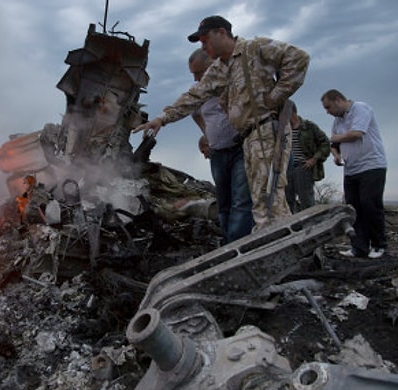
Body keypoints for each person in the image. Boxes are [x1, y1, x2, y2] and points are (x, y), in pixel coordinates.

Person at [132, 15, 310, 231]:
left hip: (266, 130)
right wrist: (162, 118)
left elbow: (299, 58)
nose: (203, 46)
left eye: (205, 40)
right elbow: (194, 96)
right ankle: (275, 243)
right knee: (262, 200)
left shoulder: (255, 48)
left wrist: (274, 97)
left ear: (222, 33)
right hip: (248, 138)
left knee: (268, 198)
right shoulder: (219, 69)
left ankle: (279, 247)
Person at [190, 49, 253, 244]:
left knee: (241, 200)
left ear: (212, 65)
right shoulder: (199, 91)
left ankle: (238, 246)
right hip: (218, 152)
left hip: (240, 149)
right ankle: (228, 243)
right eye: (192, 74)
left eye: (198, 72)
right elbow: (194, 113)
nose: (195, 78)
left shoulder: (232, 82)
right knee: (223, 201)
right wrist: (207, 135)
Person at [321, 89, 387, 259]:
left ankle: (379, 245)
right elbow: (333, 143)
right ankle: (359, 247)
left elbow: (356, 134)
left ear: (338, 100)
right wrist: (336, 156)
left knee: (370, 205)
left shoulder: (360, 109)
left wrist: (336, 138)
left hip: (371, 166)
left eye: (328, 107)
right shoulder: (337, 120)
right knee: (354, 209)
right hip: (351, 169)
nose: (327, 112)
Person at [285, 103, 330, 213]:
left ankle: (312, 225)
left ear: (293, 113)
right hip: (286, 169)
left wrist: (314, 159)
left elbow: (325, 143)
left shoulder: (309, 127)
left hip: (303, 167)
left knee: (306, 201)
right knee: (287, 201)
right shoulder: (283, 130)